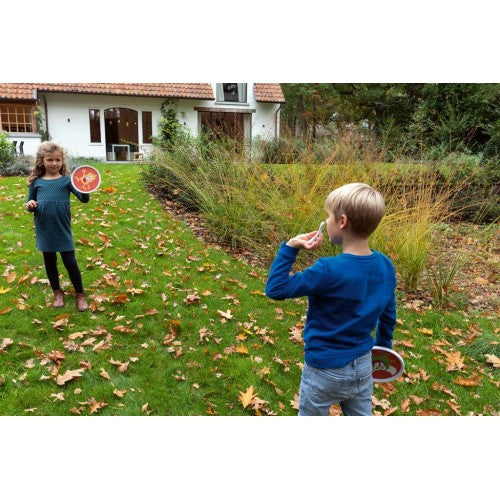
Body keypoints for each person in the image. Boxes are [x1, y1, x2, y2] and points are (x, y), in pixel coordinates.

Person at [265, 183, 396, 416]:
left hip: (323, 370)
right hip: (364, 365)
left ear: (342, 221)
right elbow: (388, 314)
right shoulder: (385, 265)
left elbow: (276, 288)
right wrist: (384, 349)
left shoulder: (327, 269)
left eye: (328, 216)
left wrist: (290, 247)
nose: (326, 222)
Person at [26, 141, 90, 312]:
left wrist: (86, 187)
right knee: (50, 262)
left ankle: (80, 294)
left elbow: (84, 199)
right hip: (44, 228)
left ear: (62, 161)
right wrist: (30, 205)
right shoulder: (37, 182)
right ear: (42, 161)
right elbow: (29, 202)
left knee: (70, 261)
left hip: (62, 227)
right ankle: (57, 292)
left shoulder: (67, 181)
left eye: (57, 160)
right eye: (50, 160)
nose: (54, 163)